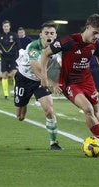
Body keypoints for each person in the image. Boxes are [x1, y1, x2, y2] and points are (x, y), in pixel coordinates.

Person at [40, 13, 99, 155]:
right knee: (88, 109)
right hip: (70, 83)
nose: (97, 37)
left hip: (87, 81)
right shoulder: (69, 41)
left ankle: (97, 142)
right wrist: (44, 77)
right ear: (87, 27)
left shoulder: (96, 44)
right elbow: (45, 53)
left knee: (96, 112)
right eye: (95, 33)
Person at [14, 22, 63, 150]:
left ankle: (54, 143)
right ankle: (24, 101)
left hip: (40, 82)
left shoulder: (58, 47)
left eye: (52, 33)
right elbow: (36, 68)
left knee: (49, 110)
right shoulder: (33, 46)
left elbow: (62, 65)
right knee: (20, 117)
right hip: (24, 79)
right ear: (41, 35)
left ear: (55, 35)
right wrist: (52, 83)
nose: (49, 36)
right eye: (46, 33)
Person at [0, 20, 21, 99]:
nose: (6, 28)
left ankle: (16, 93)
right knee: (4, 75)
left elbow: (19, 47)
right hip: (4, 58)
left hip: (13, 57)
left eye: (7, 26)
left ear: (9, 27)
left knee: (14, 75)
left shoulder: (14, 35)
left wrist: (20, 57)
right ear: (2, 27)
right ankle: (6, 95)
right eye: (4, 26)